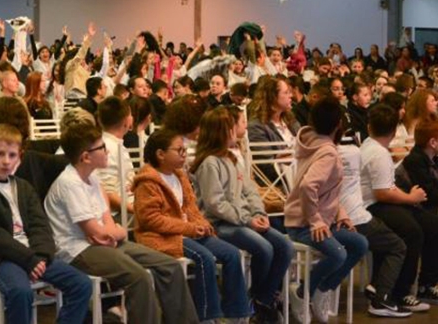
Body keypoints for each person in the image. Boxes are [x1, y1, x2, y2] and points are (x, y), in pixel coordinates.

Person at [44, 121, 199, 324]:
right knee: (139, 277)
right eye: (101, 147)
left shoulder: (93, 179)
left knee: (169, 266)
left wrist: (114, 233)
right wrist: (113, 232)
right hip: (77, 250)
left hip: (104, 243)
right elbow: (97, 233)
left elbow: (106, 223)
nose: (107, 150)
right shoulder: (69, 183)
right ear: (85, 157)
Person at [0, 124, 92, 324]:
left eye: (12, 155)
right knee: (20, 292)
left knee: (81, 284)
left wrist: (41, 256)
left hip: (31, 255)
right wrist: (28, 259)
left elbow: (40, 225)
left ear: (19, 156)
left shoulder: (23, 187)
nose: (6, 161)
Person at [133, 128, 249, 323]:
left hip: (187, 232)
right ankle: (206, 316)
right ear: (160, 154)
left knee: (231, 253)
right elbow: (150, 219)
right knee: (204, 258)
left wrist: (201, 223)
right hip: (162, 237)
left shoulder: (179, 175)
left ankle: (235, 312)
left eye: (184, 150)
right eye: (179, 151)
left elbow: (191, 207)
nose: (184, 154)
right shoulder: (147, 182)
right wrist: (189, 228)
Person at [192, 107, 293, 324]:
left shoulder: (232, 159)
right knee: (264, 248)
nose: (236, 131)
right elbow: (215, 205)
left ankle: (262, 299)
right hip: (220, 224)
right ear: (221, 132)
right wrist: (247, 220)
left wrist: (258, 213)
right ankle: (254, 301)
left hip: (244, 219)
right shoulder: (209, 163)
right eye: (231, 128)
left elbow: (250, 190)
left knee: (285, 246)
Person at [284, 98, 369, 323]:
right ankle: (302, 293)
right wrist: (316, 221)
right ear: (339, 124)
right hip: (304, 224)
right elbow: (308, 186)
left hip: (318, 220)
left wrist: (342, 214)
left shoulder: (313, 143)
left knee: (360, 244)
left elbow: (328, 192)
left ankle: (323, 288)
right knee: (339, 253)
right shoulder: (328, 152)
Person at [361, 103, 438, 310]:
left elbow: (388, 189)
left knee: (433, 225)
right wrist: (410, 198)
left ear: (369, 127)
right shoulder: (378, 153)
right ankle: (401, 291)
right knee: (412, 231)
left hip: (381, 202)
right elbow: (382, 193)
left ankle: (426, 285)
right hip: (372, 206)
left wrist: (410, 198)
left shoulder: (370, 145)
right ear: (393, 132)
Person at [335, 105, 410, 318]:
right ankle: (382, 298)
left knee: (394, 233)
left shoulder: (356, 149)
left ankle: (377, 286)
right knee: (398, 245)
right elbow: (383, 192)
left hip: (347, 213)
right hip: (353, 216)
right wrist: (411, 198)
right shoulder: (353, 152)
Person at [402, 118, 438, 222]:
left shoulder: (434, 158)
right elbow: (430, 194)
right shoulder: (415, 161)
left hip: (437, 206)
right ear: (433, 142)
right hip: (425, 212)